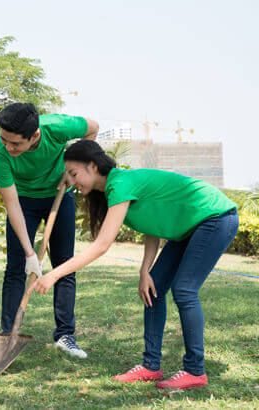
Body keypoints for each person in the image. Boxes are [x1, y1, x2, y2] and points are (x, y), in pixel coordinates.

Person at [32, 140, 238, 390]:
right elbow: (152, 224)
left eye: (75, 174)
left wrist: (54, 274)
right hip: (191, 227)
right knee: (154, 288)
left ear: (93, 166)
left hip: (214, 217)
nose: (74, 182)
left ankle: (195, 371)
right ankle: (151, 366)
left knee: (184, 290)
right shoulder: (114, 190)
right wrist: (144, 271)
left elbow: (102, 245)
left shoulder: (120, 184)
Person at [0, 102, 99, 358]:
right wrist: (30, 253)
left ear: (35, 135)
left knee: (64, 265)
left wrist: (73, 170)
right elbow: (12, 202)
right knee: (16, 267)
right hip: (23, 202)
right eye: (4, 139)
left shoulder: (56, 128)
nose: (8, 147)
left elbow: (93, 129)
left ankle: (65, 335)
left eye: (15, 143)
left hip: (59, 197)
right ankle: (8, 333)